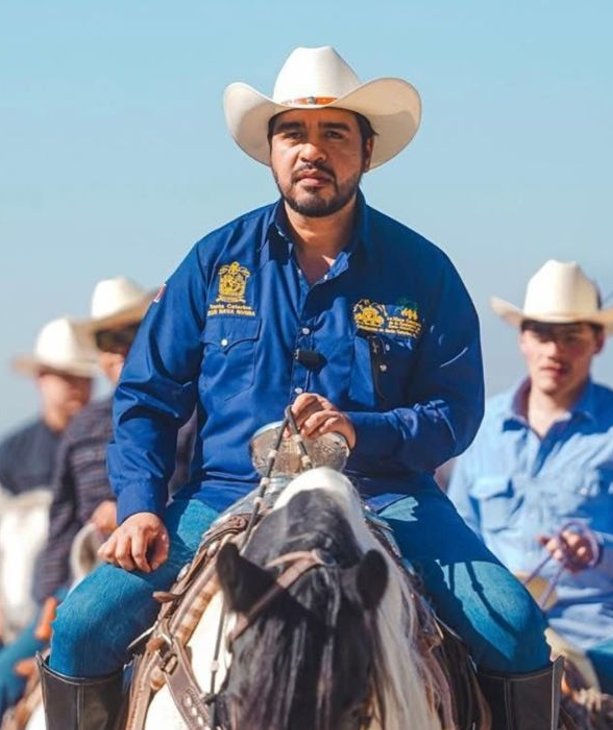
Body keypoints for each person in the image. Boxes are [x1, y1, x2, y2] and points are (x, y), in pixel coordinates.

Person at [43, 47, 555, 729]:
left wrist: (359, 430)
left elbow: (454, 412)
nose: (312, 150)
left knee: (514, 628)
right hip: (224, 499)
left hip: (388, 498)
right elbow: (146, 397)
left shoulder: (424, 272)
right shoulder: (214, 262)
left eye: (334, 133)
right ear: (271, 151)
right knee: (80, 628)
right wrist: (139, 505)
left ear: (366, 152)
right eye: (294, 133)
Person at [448, 259, 613, 729]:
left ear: (597, 342)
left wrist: (599, 549)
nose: (554, 350)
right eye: (542, 334)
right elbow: (458, 529)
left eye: (572, 337)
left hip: (597, 629)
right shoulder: (482, 429)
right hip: (494, 621)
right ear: (523, 338)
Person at [0, 278, 198, 730]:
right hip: (77, 578)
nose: (118, 351)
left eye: (129, 336)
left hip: (161, 563)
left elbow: (197, 495)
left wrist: (135, 511)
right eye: (105, 340)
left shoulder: (186, 416)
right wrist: (48, 598)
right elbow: (60, 528)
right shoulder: (81, 429)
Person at [0, 318, 95, 712]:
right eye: (64, 376)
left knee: (1, 681)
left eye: (81, 376)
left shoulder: (97, 445)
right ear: (41, 378)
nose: (75, 386)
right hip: (6, 607)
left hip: (56, 601)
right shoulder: (10, 452)